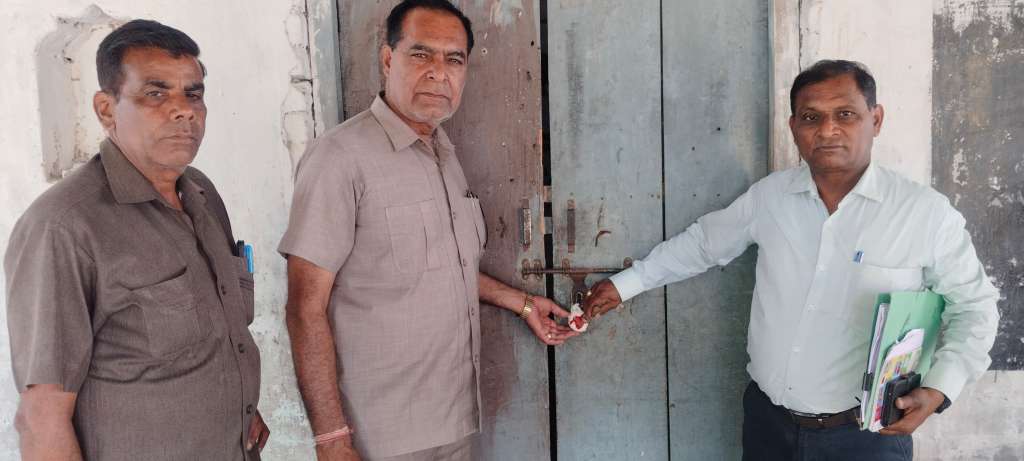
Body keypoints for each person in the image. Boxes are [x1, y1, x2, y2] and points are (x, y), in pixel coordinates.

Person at [582, 60, 1000, 460]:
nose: (828, 130)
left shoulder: (923, 213)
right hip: (769, 427)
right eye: (811, 117)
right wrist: (626, 284)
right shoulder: (772, 197)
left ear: (875, 120)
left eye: (845, 114)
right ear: (793, 126)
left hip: (866, 438)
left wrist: (939, 390)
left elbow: (974, 307)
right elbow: (704, 244)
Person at [278, 1, 576, 460]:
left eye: (454, 59)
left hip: (454, 420)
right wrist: (332, 440)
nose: (439, 72)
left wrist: (521, 303)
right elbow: (304, 307)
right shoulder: (338, 159)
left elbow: (443, 265)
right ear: (387, 60)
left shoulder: (443, 153)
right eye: (421, 54)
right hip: (381, 435)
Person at [4, 20, 269, 460]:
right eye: (156, 93)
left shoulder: (201, 194)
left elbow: (210, 340)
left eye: (194, 94)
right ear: (106, 109)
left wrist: (236, 408)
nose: (183, 111)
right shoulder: (63, 227)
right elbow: (41, 419)